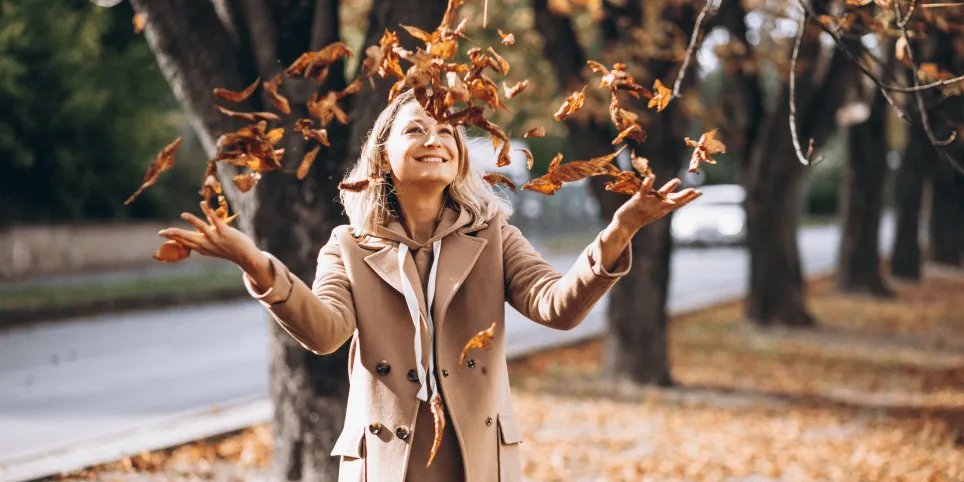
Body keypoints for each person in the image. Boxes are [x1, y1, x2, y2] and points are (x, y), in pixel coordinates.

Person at [159, 89, 701, 482]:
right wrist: (255, 263)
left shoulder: (494, 236)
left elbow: (556, 306)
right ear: (382, 155)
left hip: (475, 458)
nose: (434, 139)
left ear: (460, 155)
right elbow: (325, 332)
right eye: (415, 129)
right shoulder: (347, 246)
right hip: (386, 463)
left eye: (446, 131)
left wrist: (619, 231)